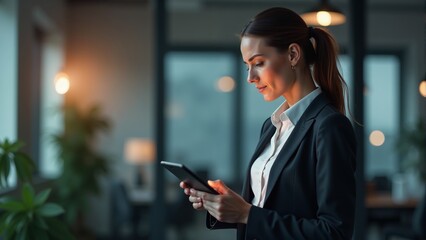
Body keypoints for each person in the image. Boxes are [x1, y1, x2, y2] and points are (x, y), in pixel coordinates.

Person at [180, 7, 356, 240]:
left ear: (293, 55)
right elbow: (268, 209)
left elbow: (334, 233)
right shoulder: (272, 126)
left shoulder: (329, 126)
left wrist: (247, 214)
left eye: (259, 62)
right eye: (247, 66)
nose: (250, 77)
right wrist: (226, 206)